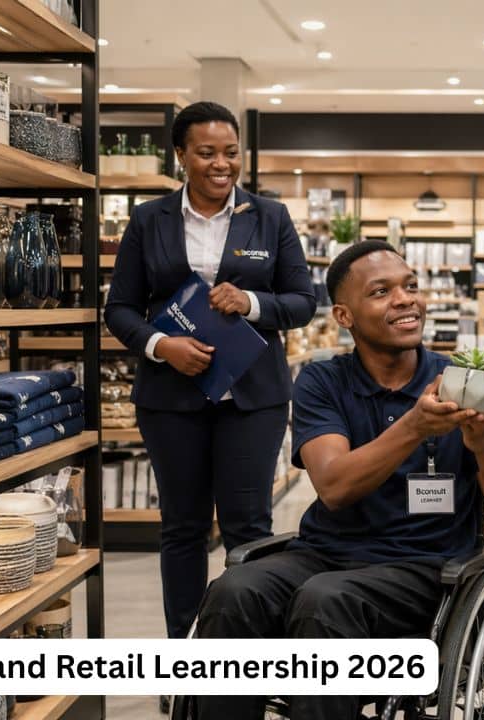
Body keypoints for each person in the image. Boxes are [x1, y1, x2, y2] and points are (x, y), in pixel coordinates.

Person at [191, 240, 484, 720]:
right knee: (233, 591)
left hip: (426, 572)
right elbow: (334, 486)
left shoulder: (466, 380)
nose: (406, 299)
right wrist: (413, 426)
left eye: (411, 286)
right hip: (325, 553)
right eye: (382, 291)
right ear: (344, 316)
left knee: (325, 602)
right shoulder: (321, 382)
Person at [104, 101, 316, 658]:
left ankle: (248, 655)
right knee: (183, 527)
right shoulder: (150, 219)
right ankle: (185, 655)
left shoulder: (270, 216)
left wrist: (250, 301)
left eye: (230, 153)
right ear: (181, 156)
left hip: (253, 397)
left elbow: (303, 301)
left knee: (250, 527)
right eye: (206, 153)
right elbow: (120, 309)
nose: (221, 164)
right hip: (171, 397)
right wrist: (160, 345)